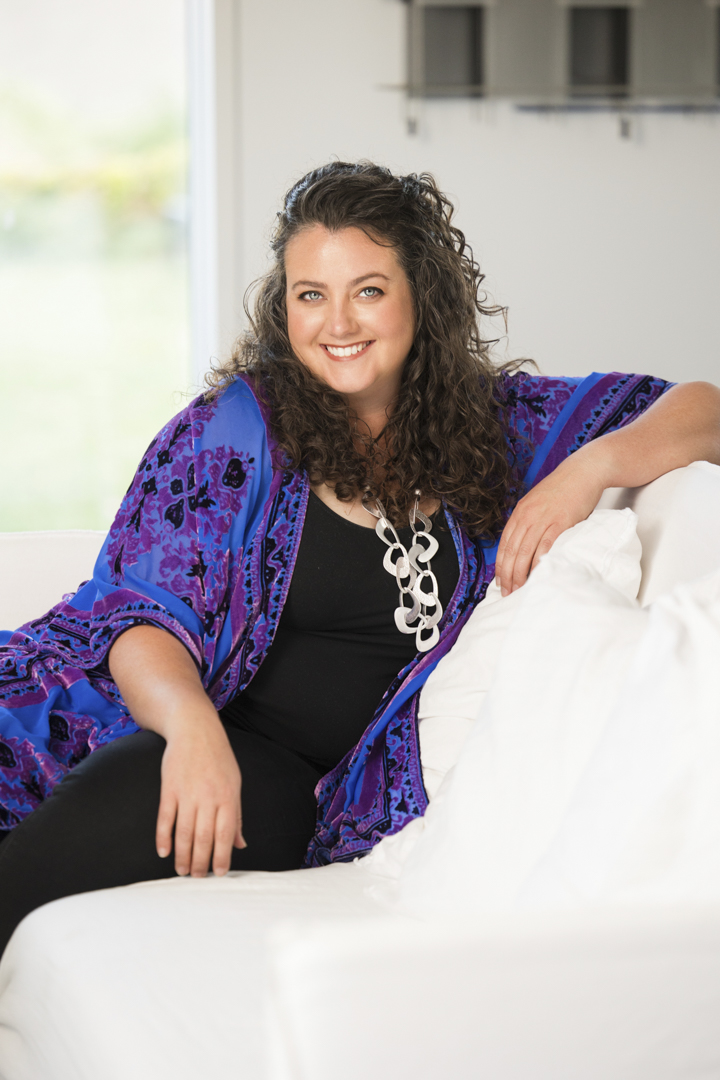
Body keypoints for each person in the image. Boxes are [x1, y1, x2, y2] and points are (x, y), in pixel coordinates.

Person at [1, 161, 719, 957]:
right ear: (286, 308)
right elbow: (135, 615)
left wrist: (591, 468)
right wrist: (193, 731)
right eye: (311, 294)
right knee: (71, 824)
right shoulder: (236, 431)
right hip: (178, 717)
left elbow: (702, 408)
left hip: (303, 787)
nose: (336, 321)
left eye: (368, 290)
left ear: (422, 297)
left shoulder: (501, 430)